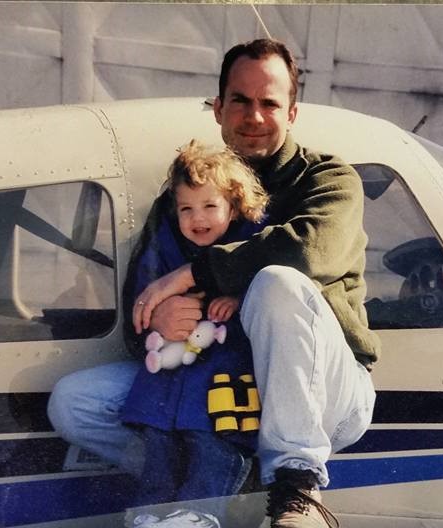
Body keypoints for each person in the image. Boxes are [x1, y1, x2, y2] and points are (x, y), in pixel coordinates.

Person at [49, 38, 380, 528]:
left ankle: (296, 487)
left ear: (291, 113)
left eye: (269, 103)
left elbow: (311, 250)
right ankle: (201, 495)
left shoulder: (328, 179)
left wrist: (195, 273)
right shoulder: (183, 197)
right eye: (240, 101)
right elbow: (144, 295)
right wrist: (155, 321)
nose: (254, 116)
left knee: (277, 285)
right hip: (213, 378)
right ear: (218, 108)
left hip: (321, 391)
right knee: (75, 403)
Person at [120, 140, 269, 526]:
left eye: (209, 206)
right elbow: (142, 295)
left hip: (223, 373)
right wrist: (153, 317)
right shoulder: (167, 245)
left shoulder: (249, 245)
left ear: (233, 206)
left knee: (213, 443)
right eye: (186, 208)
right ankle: (150, 514)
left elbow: (267, 287)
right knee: (159, 446)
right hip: (171, 377)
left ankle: (200, 514)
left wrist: (237, 297)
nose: (196, 218)